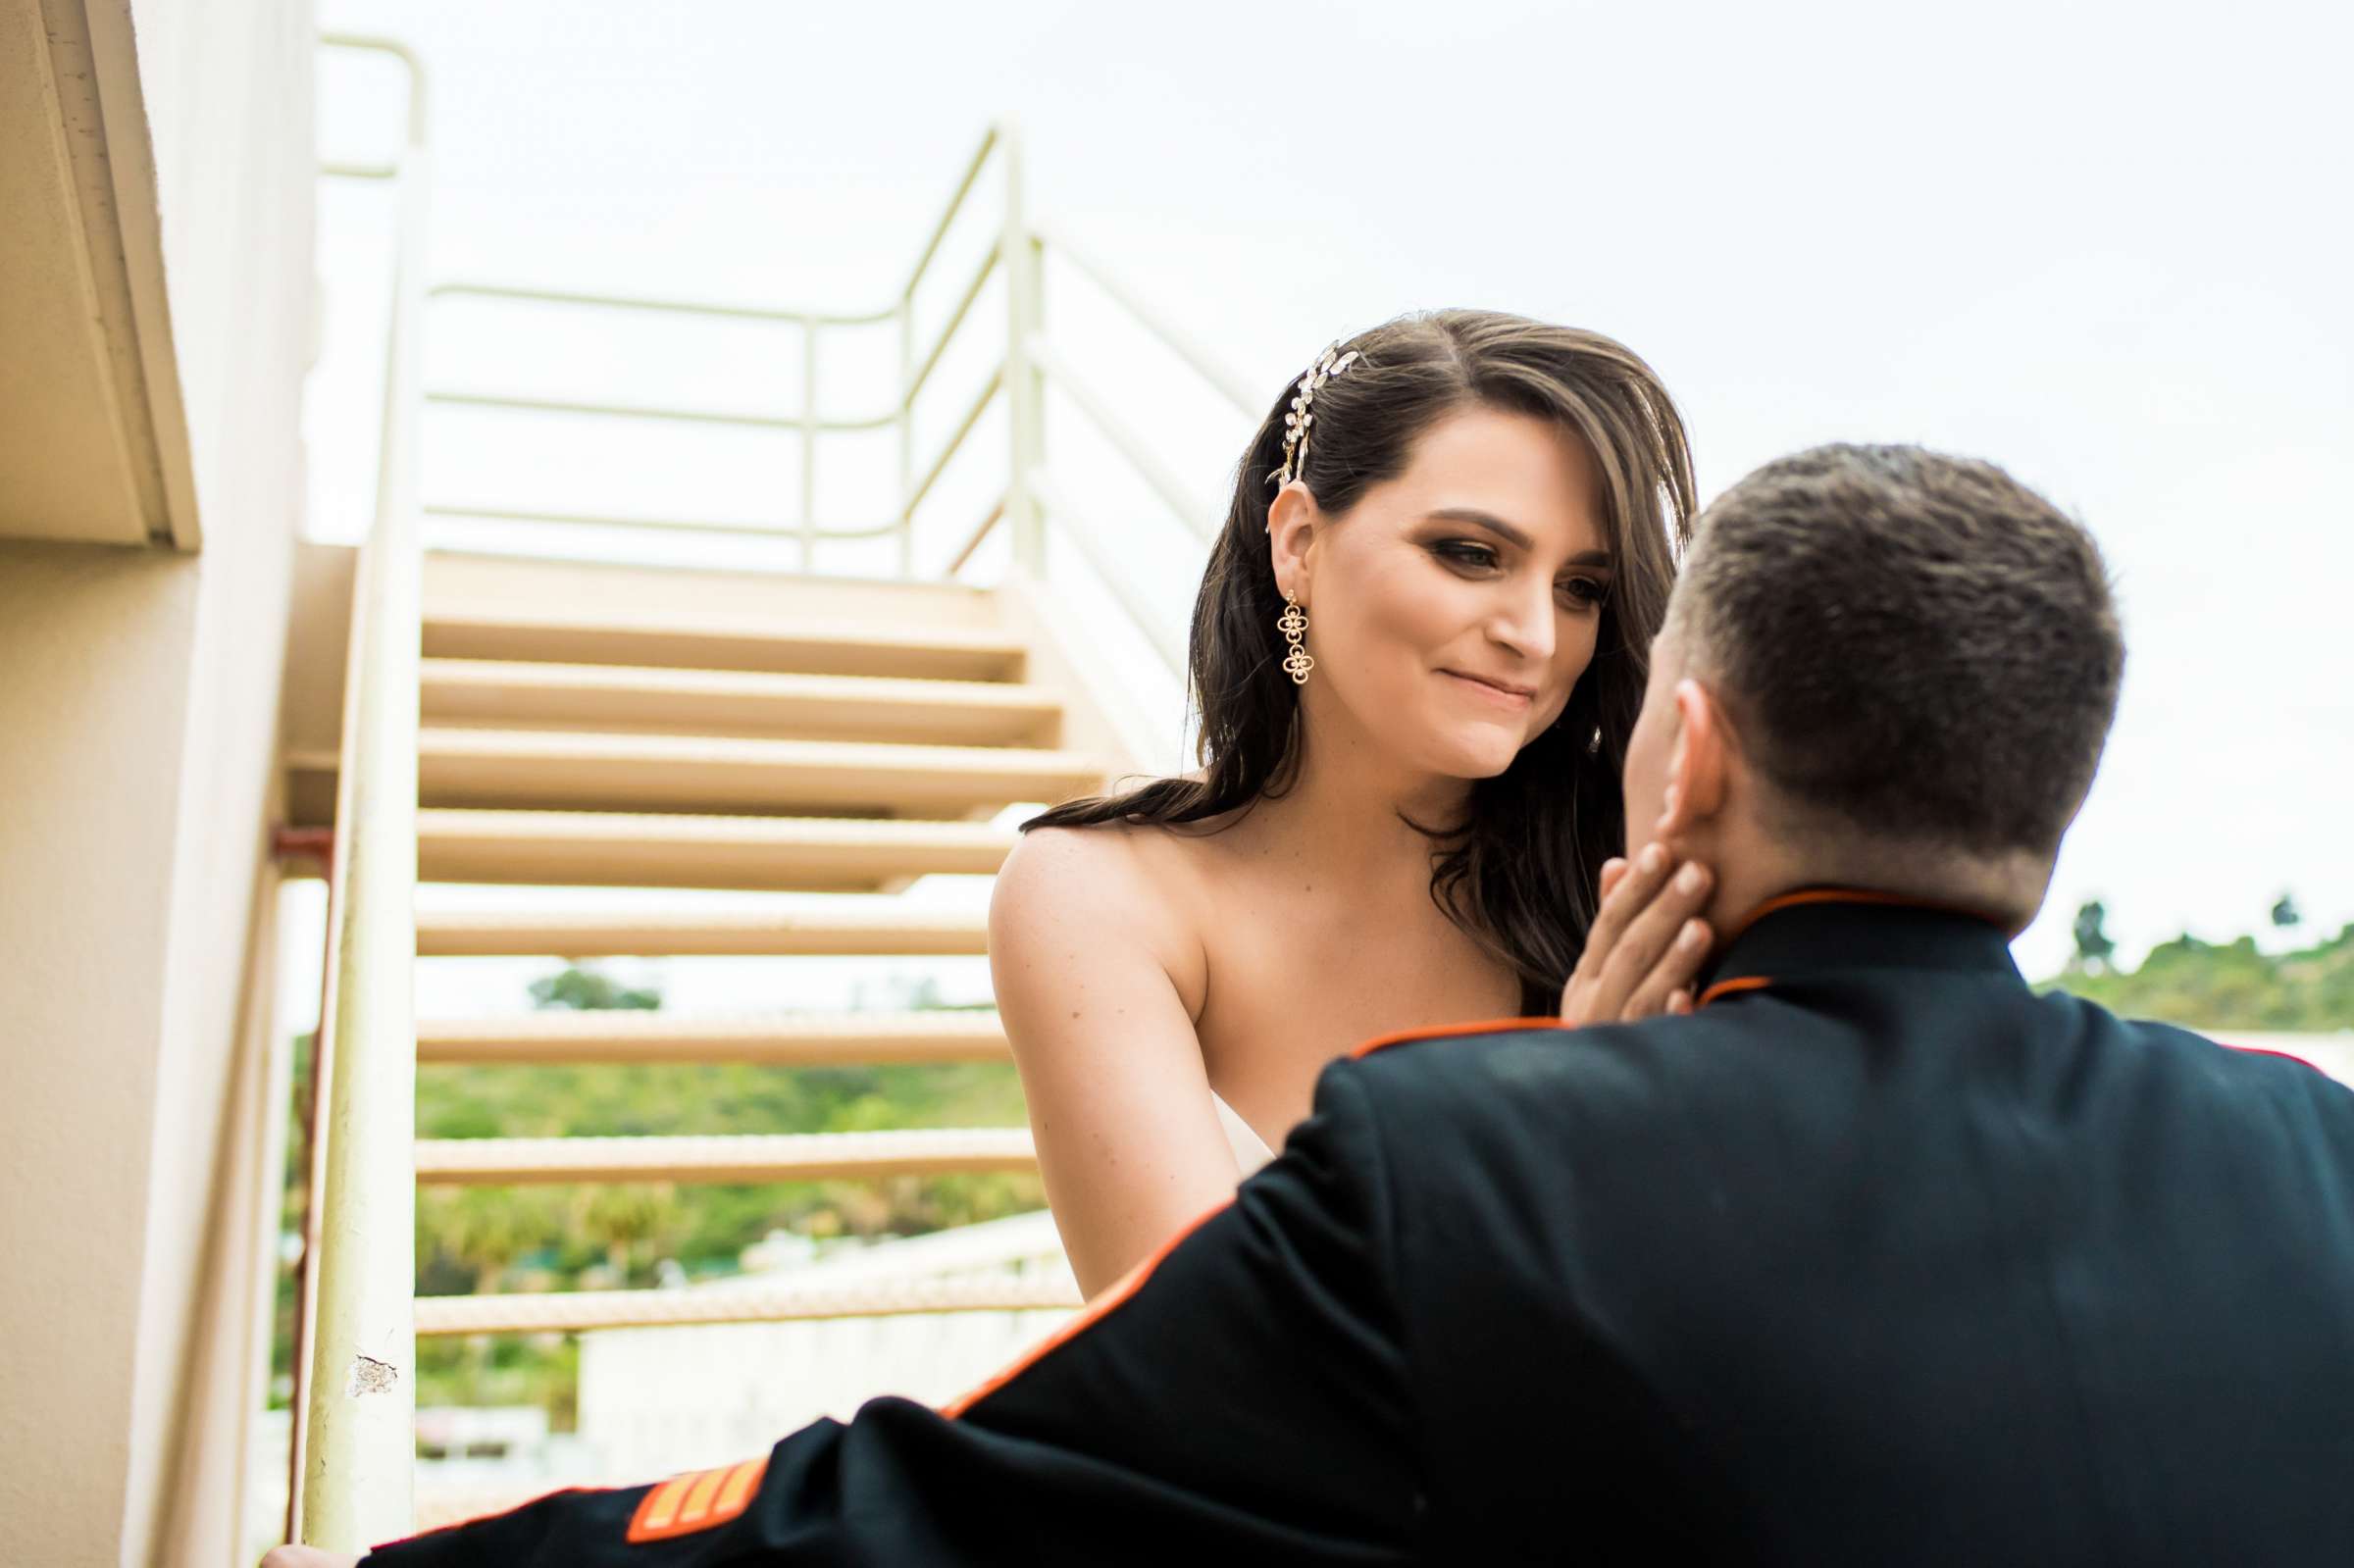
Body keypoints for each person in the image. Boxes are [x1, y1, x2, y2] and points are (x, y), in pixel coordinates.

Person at [274, 445, 2354, 1566]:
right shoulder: (2315, 1162)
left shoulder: (1467, 1160)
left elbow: (904, 1512)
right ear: (2053, 795)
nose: (1536, 646)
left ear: (1688, 747)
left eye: (1596, 610)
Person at [992, 311, 1713, 1295]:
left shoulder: (1636, 901)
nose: (1536, 634)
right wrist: (1564, 1133)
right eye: (1471, 553)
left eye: (1582, 586)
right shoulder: (1103, 898)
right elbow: (1199, 1376)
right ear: (1296, 542)